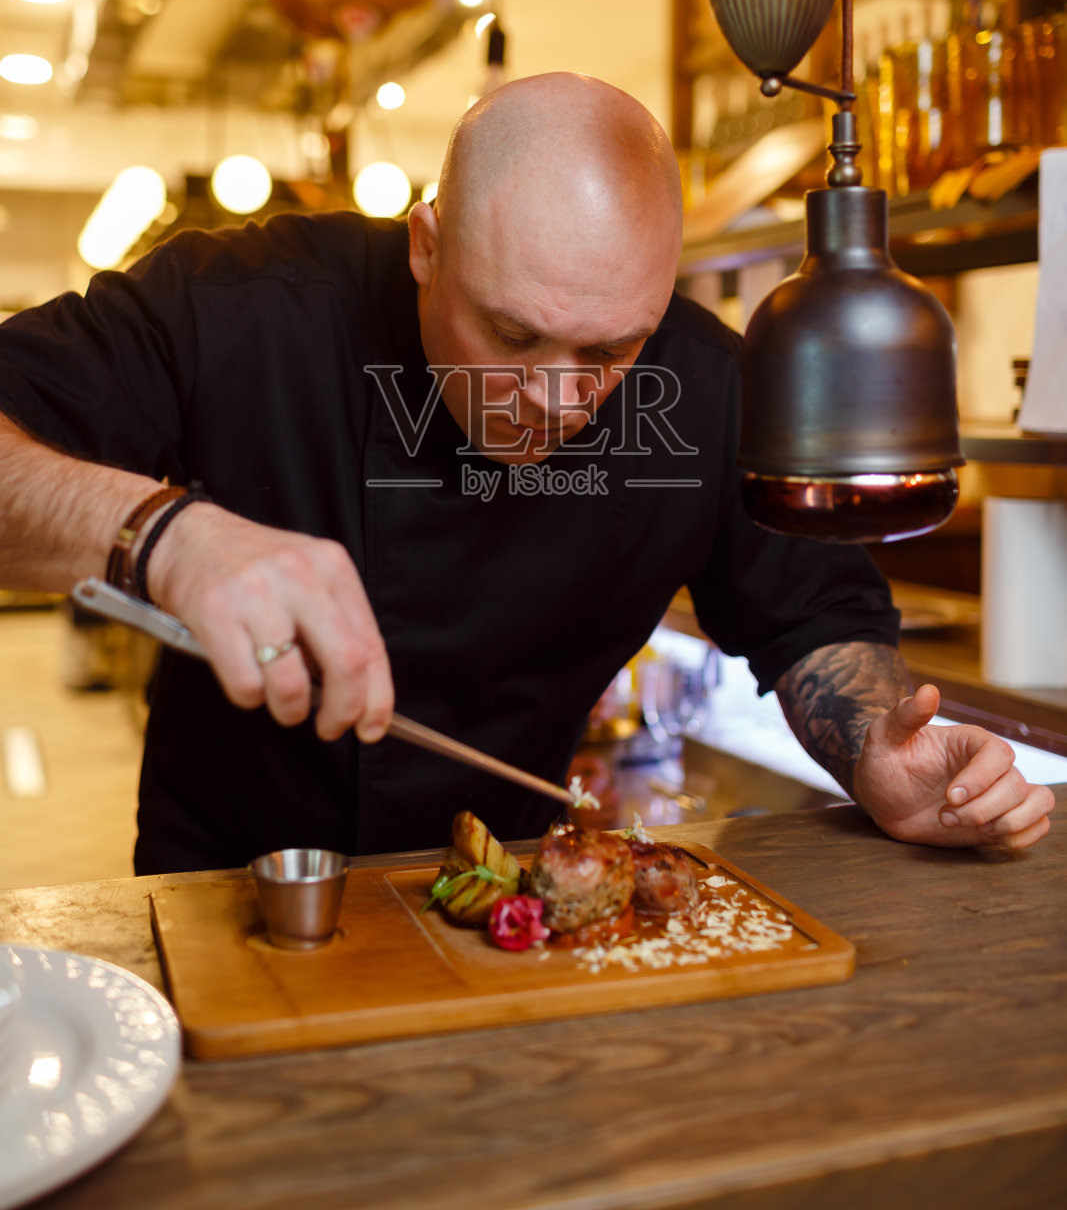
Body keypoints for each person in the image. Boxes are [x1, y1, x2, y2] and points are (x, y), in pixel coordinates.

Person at [0, 73, 1053, 871]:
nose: (552, 397)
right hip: (230, 890)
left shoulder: (702, 381)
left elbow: (813, 613)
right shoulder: (238, 308)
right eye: (512, 334)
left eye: (605, 353)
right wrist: (165, 534)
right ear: (426, 244)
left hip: (514, 898)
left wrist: (875, 745)